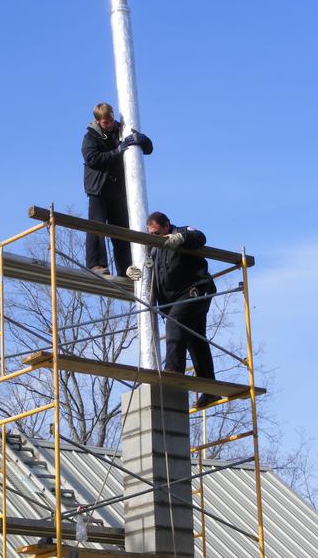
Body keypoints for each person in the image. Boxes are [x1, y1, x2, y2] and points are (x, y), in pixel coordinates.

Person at [128, 211, 220, 409]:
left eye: (157, 233)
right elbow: (151, 271)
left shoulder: (180, 233)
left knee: (175, 322)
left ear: (167, 225)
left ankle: (173, 371)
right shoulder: (154, 249)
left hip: (194, 290)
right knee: (196, 339)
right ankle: (210, 388)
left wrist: (180, 238)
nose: (155, 238)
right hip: (176, 299)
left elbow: (199, 237)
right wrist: (133, 271)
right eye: (151, 234)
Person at [81, 102, 153, 276]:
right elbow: (93, 159)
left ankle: (126, 268)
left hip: (118, 189)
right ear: (98, 121)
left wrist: (143, 140)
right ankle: (96, 264)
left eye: (110, 121)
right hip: (98, 188)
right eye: (105, 122)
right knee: (97, 226)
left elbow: (149, 149)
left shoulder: (123, 130)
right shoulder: (91, 137)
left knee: (121, 229)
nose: (109, 124)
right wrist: (117, 151)